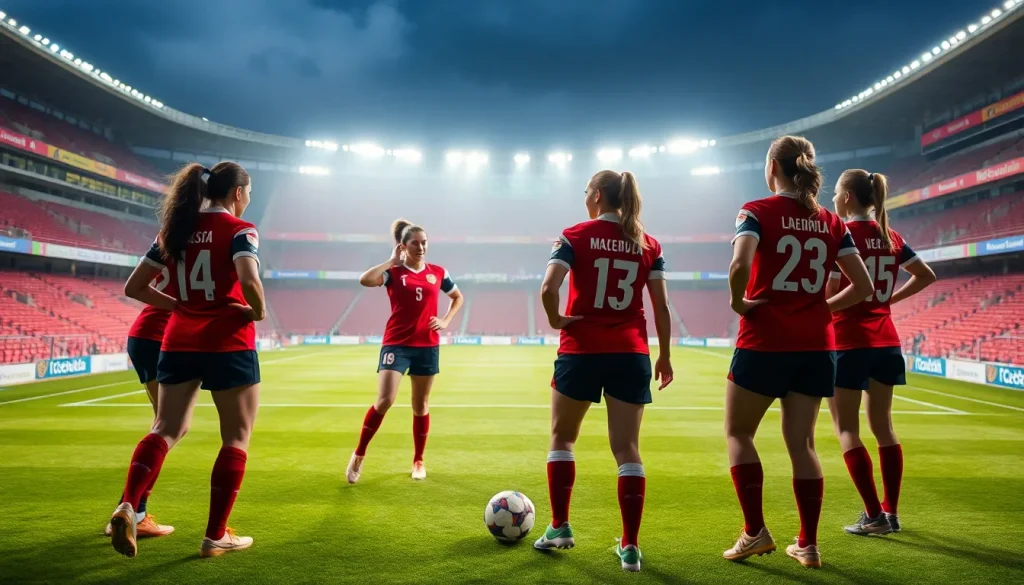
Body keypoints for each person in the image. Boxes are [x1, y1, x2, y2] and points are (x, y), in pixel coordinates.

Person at [723, 136, 874, 569]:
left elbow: (740, 265)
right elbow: (863, 287)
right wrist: (822, 309)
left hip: (764, 341)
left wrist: (739, 303)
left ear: (773, 166)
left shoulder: (755, 211)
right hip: (816, 346)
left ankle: (755, 532)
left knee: (739, 434)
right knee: (802, 442)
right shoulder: (832, 221)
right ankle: (807, 544)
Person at [110, 161, 265, 559]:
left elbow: (135, 287)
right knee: (236, 437)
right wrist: (257, 311)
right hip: (229, 340)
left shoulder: (174, 230)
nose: (249, 199)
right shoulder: (241, 230)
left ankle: (127, 505)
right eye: (249, 193)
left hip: (178, 340)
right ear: (237, 193)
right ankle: (215, 536)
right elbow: (248, 280)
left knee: (165, 427)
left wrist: (179, 306)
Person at [532, 170, 674, 573]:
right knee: (627, 448)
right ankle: (630, 546)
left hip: (581, 349)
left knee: (562, 437)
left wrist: (557, 320)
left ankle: (560, 526)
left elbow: (548, 289)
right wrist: (664, 355)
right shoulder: (648, 243)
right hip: (631, 352)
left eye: (586, 192)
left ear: (596, 195)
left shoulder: (574, 236)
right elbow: (661, 307)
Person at [827, 169, 936, 536]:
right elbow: (926, 275)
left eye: (836, 192)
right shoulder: (890, 235)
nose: (833, 199)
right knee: (884, 427)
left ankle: (873, 516)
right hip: (887, 341)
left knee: (846, 429)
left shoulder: (841, 235)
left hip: (848, 341)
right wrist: (889, 300)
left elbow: (831, 291)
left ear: (847, 197)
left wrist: (818, 311)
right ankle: (891, 512)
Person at [345, 219, 464, 483]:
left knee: (420, 404)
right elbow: (365, 280)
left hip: (427, 345)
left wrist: (445, 320)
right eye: (415, 243)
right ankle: (359, 454)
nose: (421, 247)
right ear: (403, 246)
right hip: (396, 344)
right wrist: (391, 260)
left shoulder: (438, 272)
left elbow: (458, 297)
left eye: (424, 242)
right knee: (385, 400)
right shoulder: (394, 273)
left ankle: (418, 460)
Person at [102, 247, 178, 540]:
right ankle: (133, 510)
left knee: (164, 425)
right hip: (163, 337)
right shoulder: (204, 241)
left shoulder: (171, 236)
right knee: (168, 427)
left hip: (144, 334)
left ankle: (132, 510)